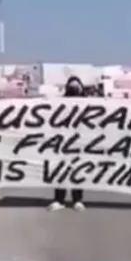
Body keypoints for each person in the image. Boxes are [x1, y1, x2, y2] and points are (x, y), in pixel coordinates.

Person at [49, 76, 87, 212]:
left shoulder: (88, 104)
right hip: (63, 144)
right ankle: (59, 199)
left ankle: (77, 200)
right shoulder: (61, 104)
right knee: (60, 172)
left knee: (77, 171)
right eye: (71, 87)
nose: (74, 89)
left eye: (76, 87)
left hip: (79, 143)